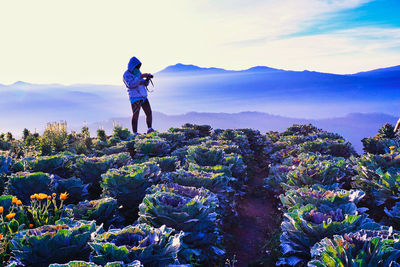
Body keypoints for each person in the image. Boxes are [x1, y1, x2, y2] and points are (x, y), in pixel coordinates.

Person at [123, 57, 155, 134]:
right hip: (135, 97)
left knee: (149, 112)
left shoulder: (137, 72)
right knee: (136, 115)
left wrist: (147, 78)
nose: (138, 68)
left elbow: (144, 83)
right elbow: (131, 85)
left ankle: (149, 128)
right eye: (136, 66)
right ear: (132, 66)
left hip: (143, 96)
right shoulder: (126, 74)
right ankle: (135, 132)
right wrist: (140, 77)